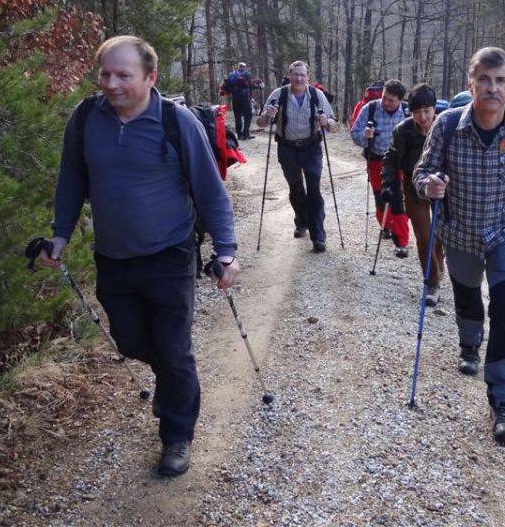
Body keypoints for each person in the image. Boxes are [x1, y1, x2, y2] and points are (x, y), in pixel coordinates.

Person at [39, 35, 239, 477]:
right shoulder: (86, 118)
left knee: (173, 349)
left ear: (150, 77)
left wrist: (226, 250)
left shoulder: (176, 121)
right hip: (113, 257)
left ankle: (177, 436)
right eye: (105, 74)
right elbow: (71, 180)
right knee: (130, 343)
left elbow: (209, 189)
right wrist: (59, 236)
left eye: (123, 75)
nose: (111, 84)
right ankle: (173, 387)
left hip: (169, 255)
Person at [413, 47, 505, 445]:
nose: (492, 88)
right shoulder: (446, 126)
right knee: (467, 300)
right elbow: (422, 172)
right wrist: (428, 185)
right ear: (471, 84)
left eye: (500, 80)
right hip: (460, 231)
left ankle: (502, 401)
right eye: (484, 79)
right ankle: (468, 343)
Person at [256, 60, 336, 252]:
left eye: (302, 74)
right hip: (287, 148)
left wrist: (326, 121)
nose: (299, 78)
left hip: (311, 147)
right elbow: (260, 123)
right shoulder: (279, 94)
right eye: (295, 74)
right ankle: (301, 221)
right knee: (296, 188)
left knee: (314, 190)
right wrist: (268, 116)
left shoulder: (317, 95)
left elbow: (334, 125)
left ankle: (318, 237)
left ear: (308, 77)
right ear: (289, 75)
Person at [380, 83, 445, 305]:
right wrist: (388, 183)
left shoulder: (446, 127)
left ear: (434, 109)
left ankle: (438, 262)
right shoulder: (403, 130)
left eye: (427, 111)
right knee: (424, 235)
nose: (423, 117)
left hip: (443, 187)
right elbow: (391, 158)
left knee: (439, 235)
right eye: (417, 112)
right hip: (413, 185)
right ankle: (432, 282)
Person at [351, 79, 411, 257]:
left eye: (391, 100)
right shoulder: (369, 109)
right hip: (376, 160)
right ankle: (386, 225)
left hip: (401, 162)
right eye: (384, 98)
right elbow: (354, 134)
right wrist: (365, 137)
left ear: (400, 100)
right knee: (381, 197)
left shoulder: (407, 112)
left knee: (399, 200)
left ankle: (401, 242)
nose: (385, 102)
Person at [223, 62, 254, 140]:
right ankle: (246, 133)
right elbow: (250, 85)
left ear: (238, 67)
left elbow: (227, 87)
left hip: (235, 99)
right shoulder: (246, 74)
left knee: (237, 116)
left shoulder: (231, 75)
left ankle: (239, 135)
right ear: (245, 67)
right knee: (248, 115)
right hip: (245, 98)